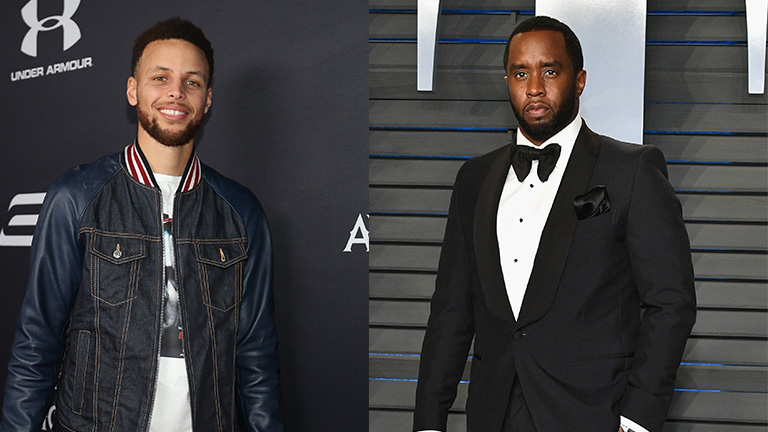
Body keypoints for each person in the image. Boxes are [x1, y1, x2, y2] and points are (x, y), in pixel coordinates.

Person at [413, 16, 696, 432]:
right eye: (520, 73)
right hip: (491, 415)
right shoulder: (473, 179)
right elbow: (451, 313)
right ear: (507, 81)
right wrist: (428, 422)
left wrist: (638, 419)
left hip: (593, 415)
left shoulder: (631, 170)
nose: (534, 88)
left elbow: (671, 302)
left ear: (579, 80)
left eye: (549, 71)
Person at [0, 17, 283, 432]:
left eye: (192, 82)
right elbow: (37, 341)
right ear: (133, 90)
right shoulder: (77, 196)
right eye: (160, 77)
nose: (176, 91)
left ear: (207, 100)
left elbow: (256, 356)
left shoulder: (241, 211)